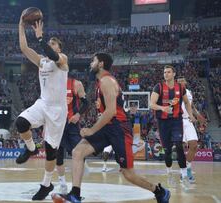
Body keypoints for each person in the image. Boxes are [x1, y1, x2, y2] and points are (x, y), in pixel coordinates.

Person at [52, 53, 170, 203]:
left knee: (128, 173)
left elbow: (111, 112)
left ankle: (159, 191)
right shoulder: (100, 82)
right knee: (77, 152)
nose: (90, 64)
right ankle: (75, 194)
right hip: (108, 126)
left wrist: (91, 130)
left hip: (118, 128)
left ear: (101, 64)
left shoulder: (107, 81)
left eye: (93, 61)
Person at [15, 12, 69, 200]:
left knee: (51, 150)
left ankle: (46, 184)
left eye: (54, 43)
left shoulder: (62, 60)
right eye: (50, 42)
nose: (51, 45)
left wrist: (41, 38)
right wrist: (21, 26)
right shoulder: (41, 61)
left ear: (59, 47)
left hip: (58, 110)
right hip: (43, 103)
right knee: (21, 123)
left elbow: (53, 55)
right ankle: (30, 148)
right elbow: (24, 47)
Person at [150, 66, 196, 188]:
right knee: (168, 151)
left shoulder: (180, 88)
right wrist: (162, 108)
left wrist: (190, 114)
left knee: (179, 145)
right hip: (163, 122)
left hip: (176, 120)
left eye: (168, 72)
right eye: (165, 72)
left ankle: (184, 175)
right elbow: (151, 104)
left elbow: (186, 102)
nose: (166, 74)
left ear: (174, 74)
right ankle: (169, 172)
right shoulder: (158, 87)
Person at [56, 77, 88, 194]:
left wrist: (78, 114)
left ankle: (76, 185)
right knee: (58, 155)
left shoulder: (76, 84)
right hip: (57, 124)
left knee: (80, 154)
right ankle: (62, 184)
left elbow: (86, 103)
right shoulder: (52, 83)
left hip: (72, 124)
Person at [177, 77, 207, 183]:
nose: (180, 82)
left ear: (185, 82)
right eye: (178, 81)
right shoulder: (174, 93)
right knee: (180, 147)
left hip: (188, 120)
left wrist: (198, 115)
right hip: (178, 121)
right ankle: (183, 171)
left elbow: (192, 106)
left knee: (194, 145)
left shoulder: (189, 93)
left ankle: (188, 168)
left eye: (182, 80)